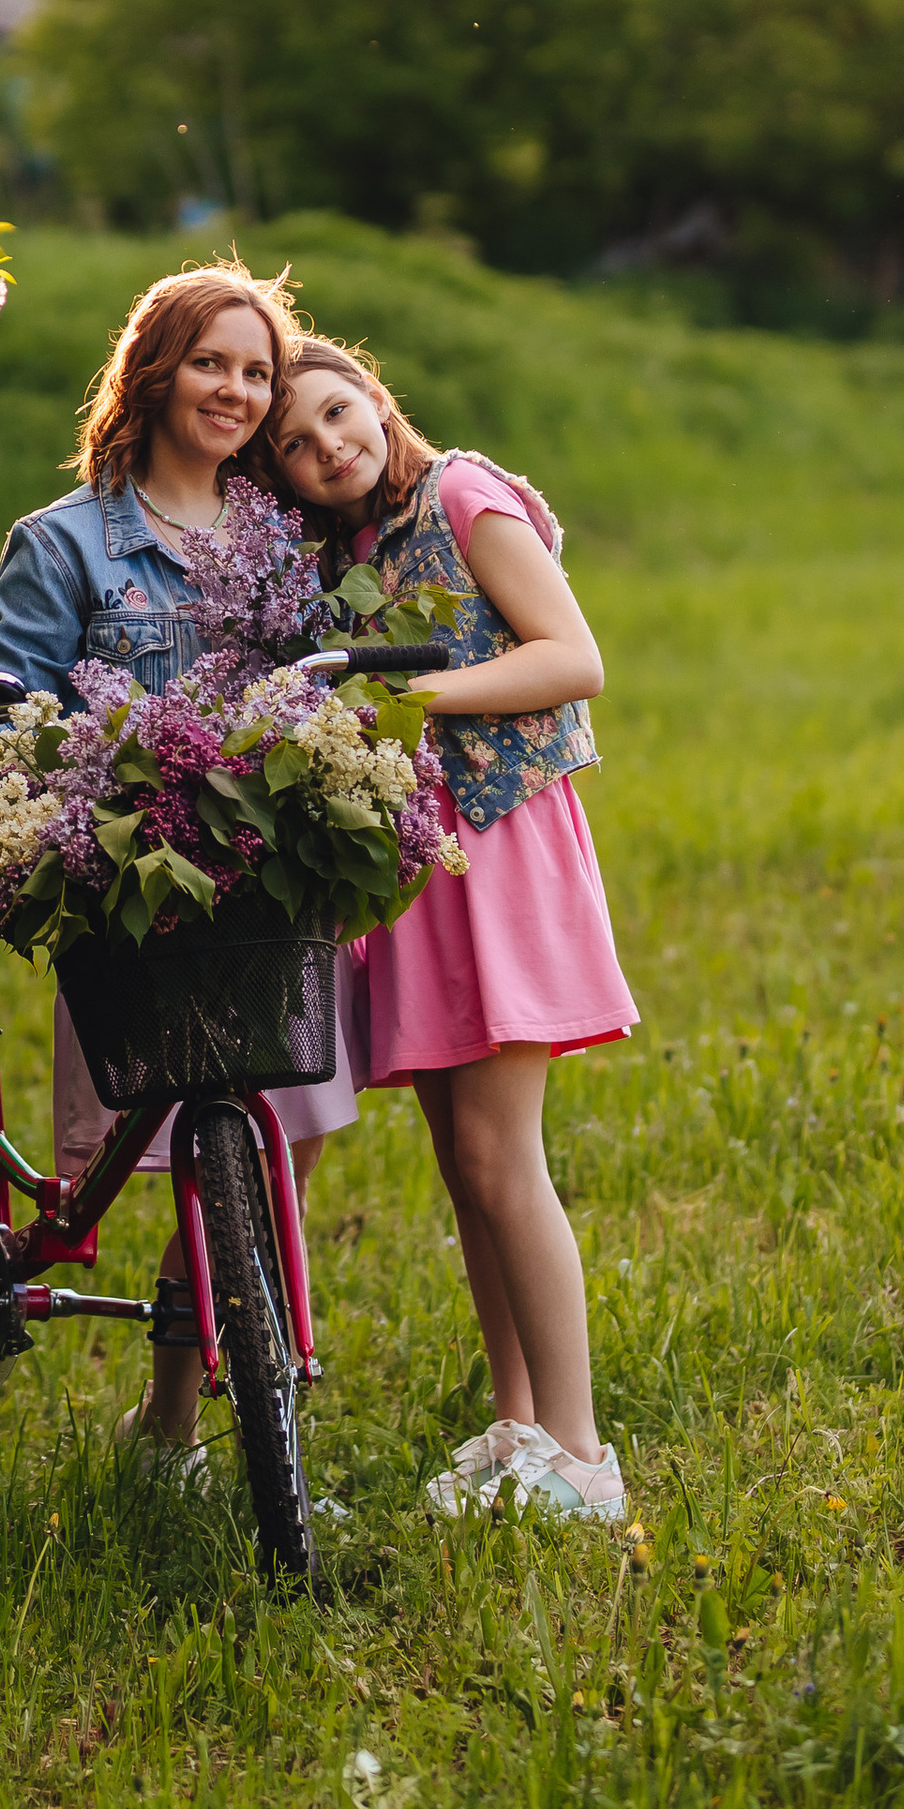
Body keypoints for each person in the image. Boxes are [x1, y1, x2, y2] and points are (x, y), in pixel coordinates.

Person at [0, 259, 364, 1459]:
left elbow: (322, 684)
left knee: (280, 1145)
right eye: (210, 362)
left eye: (257, 371)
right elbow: (19, 689)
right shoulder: (64, 543)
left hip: (257, 886)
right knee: (164, 1147)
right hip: (130, 888)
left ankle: (170, 1417)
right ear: (155, 372)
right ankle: (172, 1422)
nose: (234, 389)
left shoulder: (280, 535)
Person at [265, 336, 637, 1522]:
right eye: (297, 447)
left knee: (499, 1157)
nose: (330, 447)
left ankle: (580, 1454)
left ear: (373, 395)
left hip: (501, 848)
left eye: (337, 413)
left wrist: (408, 694)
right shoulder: (353, 547)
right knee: (460, 1167)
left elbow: (571, 657)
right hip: (416, 874)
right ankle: (519, 1424)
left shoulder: (463, 494)